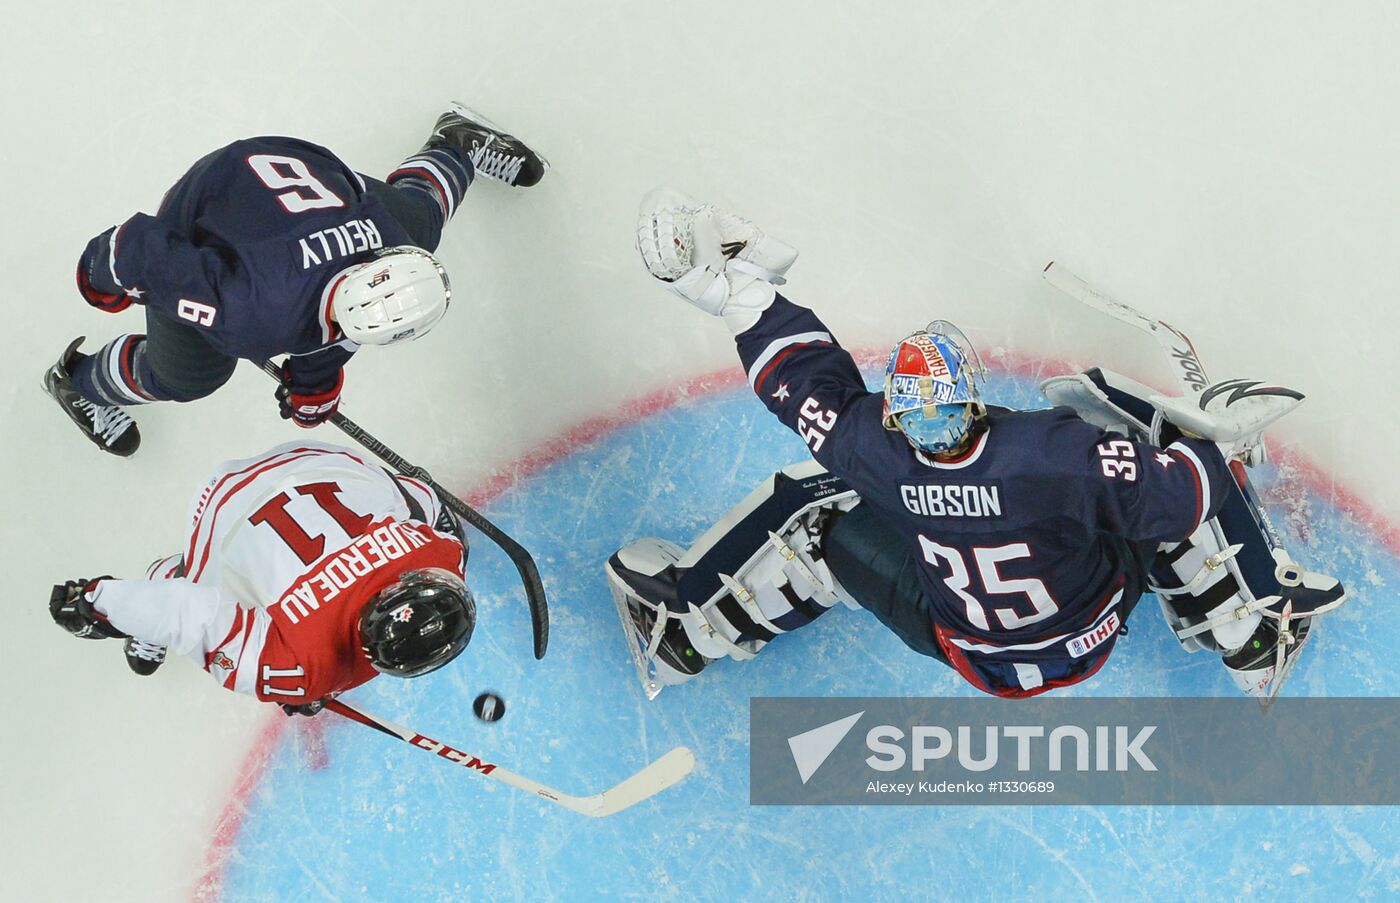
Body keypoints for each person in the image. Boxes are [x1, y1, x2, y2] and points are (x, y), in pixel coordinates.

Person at [606, 188, 1346, 702]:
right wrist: (1201, 442)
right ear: (970, 394)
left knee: (810, 511)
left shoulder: (881, 454)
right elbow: (1186, 493)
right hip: (1091, 628)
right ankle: (1252, 636)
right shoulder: (1056, 453)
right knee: (1159, 476)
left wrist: (738, 296)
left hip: (968, 651)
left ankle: (683, 636)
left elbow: (805, 389)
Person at [44, 103, 549, 456]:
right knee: (188, 376)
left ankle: (457, 142)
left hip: (299, 172)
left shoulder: (400, 241)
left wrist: (317, 382)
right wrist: (101, 279)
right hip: (210, 199)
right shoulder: (245, 311)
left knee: (422, 217)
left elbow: (338, 329)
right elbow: (137, 247)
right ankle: (78, 382)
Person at [47, 441, 475, 713]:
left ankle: (145, 604)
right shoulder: (298, 665)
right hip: (221, 505)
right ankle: (158, 579)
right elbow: (186, 612)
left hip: (308, 457)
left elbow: (420, 493)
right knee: (194, 592)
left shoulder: (442, 553)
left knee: (395, 497)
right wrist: (100, 607)